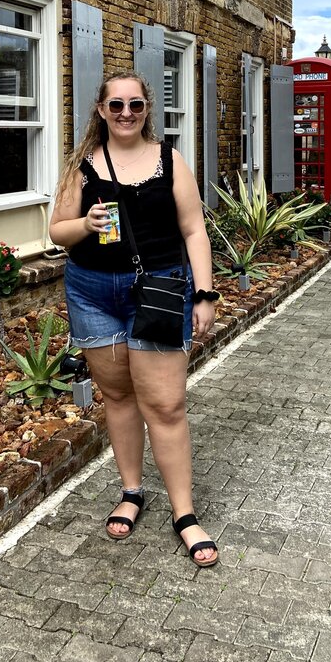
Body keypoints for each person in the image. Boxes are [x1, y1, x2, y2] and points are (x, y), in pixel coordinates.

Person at [49, 71, 219, 567]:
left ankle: (184, 514)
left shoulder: (170, 160)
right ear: (101, 110)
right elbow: (57, 232)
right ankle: (131, 491)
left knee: (165, 405)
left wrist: (205, 293)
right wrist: (86, 224)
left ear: (147, 110)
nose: (127, 113)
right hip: (92, 293)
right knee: (120, 397)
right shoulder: (82, 166)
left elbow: (195, 230)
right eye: (117, 105)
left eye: (136, 105)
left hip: (159, 290)